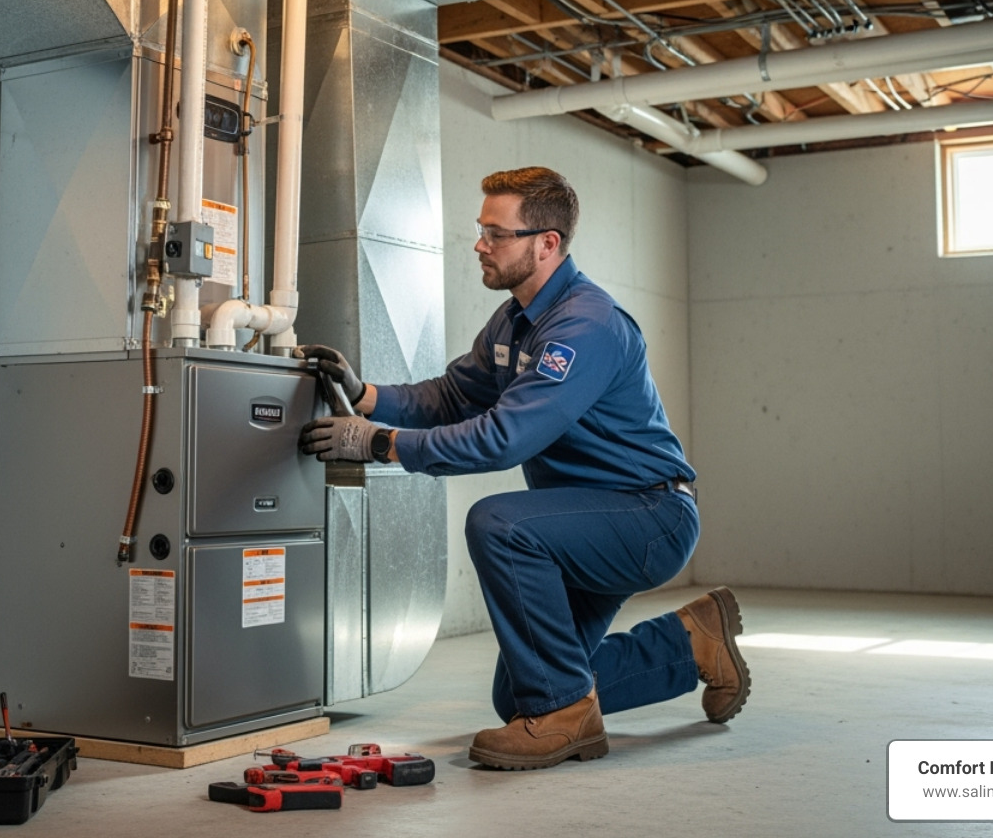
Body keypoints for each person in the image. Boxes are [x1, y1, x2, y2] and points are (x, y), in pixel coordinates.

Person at [298, 166, 749, 771]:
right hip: (577, 521)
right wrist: (367, 394)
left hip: (648, 515)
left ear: (547, 244)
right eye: (480, 229)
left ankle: (568, 718)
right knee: (518, 695)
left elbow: (504, 438)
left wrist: (381, 445)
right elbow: (454, 395)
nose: (480, 244)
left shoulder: (583, 327)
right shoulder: (515, 320)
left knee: (500, 523)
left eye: (496, 233)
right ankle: (692, 642)